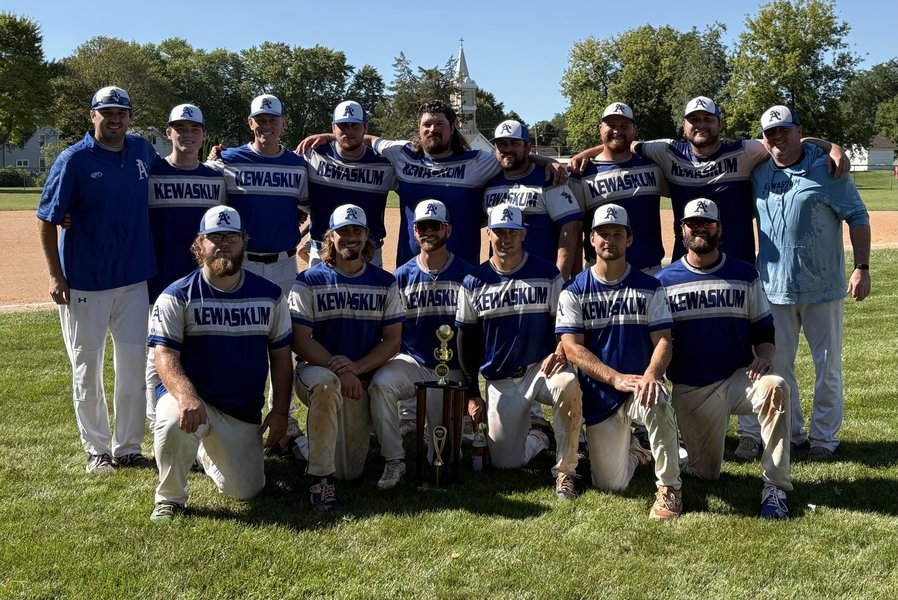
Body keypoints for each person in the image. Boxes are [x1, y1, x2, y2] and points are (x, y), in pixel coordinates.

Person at [569, 96, 849, 268]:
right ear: (684, 125)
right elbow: (623, 143)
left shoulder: (746, 150)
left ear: (720, 124)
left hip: (738, 261)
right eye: (693, 119)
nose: (701, 124)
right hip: (686, 261)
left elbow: (783, 142)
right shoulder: (667, 151)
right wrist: (585, 154)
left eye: (708, 118)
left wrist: (831, 146)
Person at [737, 105, 871, 463]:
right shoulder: (759, 172)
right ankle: (791, 432)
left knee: (827, 367)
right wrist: (829, 143)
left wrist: (861, 267)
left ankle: (824, 438)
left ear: (799, 131)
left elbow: (857, 215)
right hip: (773, 288)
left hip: (823, 287)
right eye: (771, 133)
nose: (778, 137)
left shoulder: (826, 167)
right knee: (777, 366)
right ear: (764, 139)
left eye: (785, 129)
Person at [37, 86, 156, 473]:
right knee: (86, 367)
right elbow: (47, 218)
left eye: (122, 112)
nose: (116, 119)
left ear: (129, 116)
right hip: (85, 280)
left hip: (134, 278)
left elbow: (174, 169)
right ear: (93, 116)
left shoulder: (142, 151)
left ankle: (128, 447)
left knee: (133, 365)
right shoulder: (74, 159)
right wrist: (55, 275)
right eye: (108, 113)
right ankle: (97, 448)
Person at [147, 206, 292, 521]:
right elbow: (164, 355)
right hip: (193, 398)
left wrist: (281, 412)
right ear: (200, 244)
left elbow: (282, 359)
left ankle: (203, 451)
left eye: (231, 237)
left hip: (240, 408)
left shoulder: (270, 296)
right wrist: (186, 396)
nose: (224, 244)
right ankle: (169, 498)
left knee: (246, 490)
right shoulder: (177, 295)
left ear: (244, 242)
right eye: (215, 237)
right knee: (173, 420)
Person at [298, 100, 566, 266]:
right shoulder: (402, 154)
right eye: (427, 124)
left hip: (463, 271)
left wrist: (545, 161)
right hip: (411, 269)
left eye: (440, 124)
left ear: (452, 128)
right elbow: (367, 139)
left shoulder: (477, 161)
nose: (432, 129)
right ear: (419, 129)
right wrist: (330, 136)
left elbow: (511, 156)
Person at [656, 198, 792, 519]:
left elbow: (764, 330)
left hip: (739, 379)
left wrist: (765, 357)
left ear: (720, 229)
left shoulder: (745, 274)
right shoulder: (663, 281)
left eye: (708, 223)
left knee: (776, 386)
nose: (700, 229)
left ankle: (775, 486)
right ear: (681, 230)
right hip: (692, 387)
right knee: (706, 474)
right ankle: (677, 455)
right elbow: (658, 342)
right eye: (693, 224)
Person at [556, 204, 683, 520]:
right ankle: (638, 452)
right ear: (591, 239)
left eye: (617, 234)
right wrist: (614, 378)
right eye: (603, 234)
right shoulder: (574, 290)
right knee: (611, 484)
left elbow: (664, 340)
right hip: (601, 395)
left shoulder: (650, 286)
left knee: (658, 400)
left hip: (640, 386)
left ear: (629, 239)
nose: (609, 240)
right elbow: (571, 348)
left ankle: (669, 488)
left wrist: (651, 375)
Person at [455, 205, 582, 499]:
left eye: (512, 232)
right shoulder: (474, 281)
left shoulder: (547, 273)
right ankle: (540, 435)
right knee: (506, 463)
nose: (505, 239)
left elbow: (564, 324)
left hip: (542, 367)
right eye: (499, 232)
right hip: (501, 379)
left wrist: (560, 350)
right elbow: (465, 340)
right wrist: (472, 392)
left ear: (523, 234)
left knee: (568, 384)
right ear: (488, 234)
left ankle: (566, 471)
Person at [289, 204, 404, 510]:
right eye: (343, 231)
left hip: (359, 377)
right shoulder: (309, 280)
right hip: (317, 370)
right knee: (326, 386)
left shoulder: (385, 282)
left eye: (357, 231)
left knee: (350, 472)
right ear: (330, 237)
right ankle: (320, 480)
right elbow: (300, 340)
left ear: (367, 237)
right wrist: (341, 370)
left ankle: (303, 445)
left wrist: (356, 368)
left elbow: (393, 341)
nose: (351, 237)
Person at [368, 199, 477, 469]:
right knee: (381, 385)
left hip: (451, 369)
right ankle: (394, 458)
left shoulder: (467, 275)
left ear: (447, 230)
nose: (428, 232)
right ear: (414, 231)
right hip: (413, 363)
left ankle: (439, 432)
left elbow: (475, 335)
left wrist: (470, 384)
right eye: (421, 227)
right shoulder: (401, 276)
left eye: (434, 226)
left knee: (445, 458)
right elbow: (391, 331)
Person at [145, 104, 226, 428]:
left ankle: (204, 422)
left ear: (204, 135)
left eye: (194, 129)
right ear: (169, 133)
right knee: (157, 356)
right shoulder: (152, 173)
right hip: (159, 280)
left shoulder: (216, 178)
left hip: (206, 283)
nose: (187, 135)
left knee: (203, 354)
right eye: (180, 129)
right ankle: (161, 425)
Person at [209, 94, 308, 295]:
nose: (267, 126)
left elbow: (310, 205)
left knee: (286, 316)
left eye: (273, 120)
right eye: (261, 120)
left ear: (284, 123)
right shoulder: (228, 160)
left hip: (285, 264)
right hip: (242, 262)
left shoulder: (298, 164)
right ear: (250, 122)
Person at [568, 103, 667, 273]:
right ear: (600, 128)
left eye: (624, 125)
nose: (617, 130)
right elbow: (574, 232)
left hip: (649, 271)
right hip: (601, 273)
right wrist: (576, 276)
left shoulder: (653, 166)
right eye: (611, 125)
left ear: (634, 130)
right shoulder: (581, 174)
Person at [483, 119, 582, 280]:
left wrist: (559, 278)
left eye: (514, 143)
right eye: (502, 144)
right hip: (500, 281)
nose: (507, 149)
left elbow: (570, 229)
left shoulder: (549, 178)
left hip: (541, 279)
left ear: (528, 147)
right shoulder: (488, 181)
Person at [303, 100, 396, 268]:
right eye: (343, 126)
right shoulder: (313, 154)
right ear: (333, 128)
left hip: (368, 253)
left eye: (355, 126)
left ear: (365, 128)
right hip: (323, 251)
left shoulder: (383, 163)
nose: (349, 131)